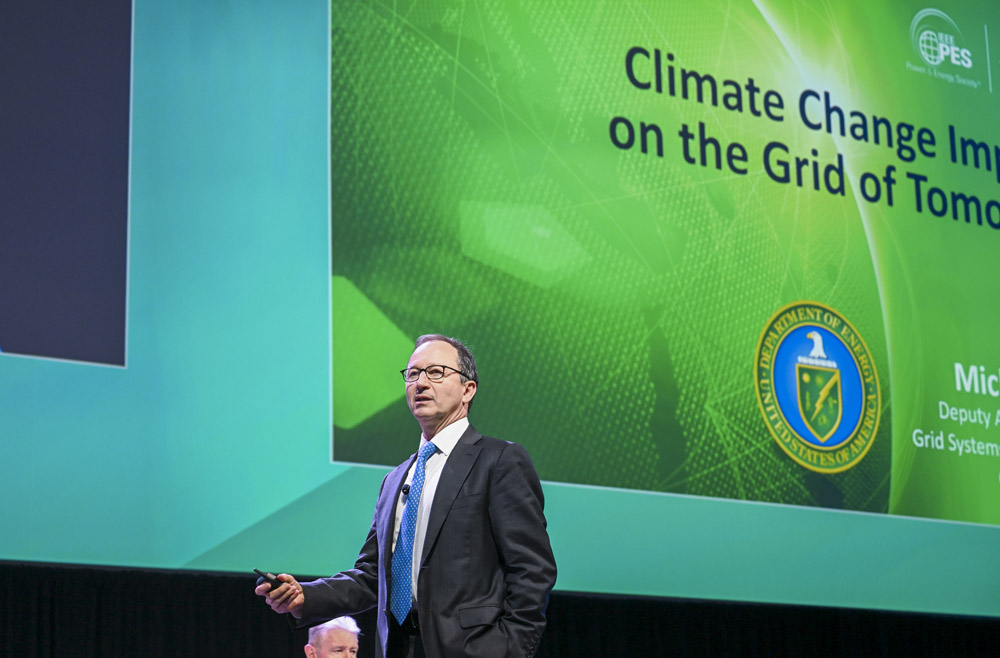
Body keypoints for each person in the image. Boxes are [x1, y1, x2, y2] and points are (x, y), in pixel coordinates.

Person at [256, 334, 557, 658]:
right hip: (398, 647)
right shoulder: (394, 479)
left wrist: (511, 650)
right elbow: (373, 576)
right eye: (413, 374)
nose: (420, 383)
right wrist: (306, 595)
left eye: (436, 372)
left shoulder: (498, 460)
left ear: (468, 389)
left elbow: (532, 569)